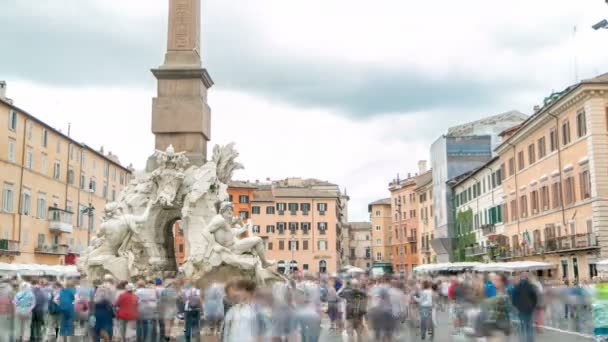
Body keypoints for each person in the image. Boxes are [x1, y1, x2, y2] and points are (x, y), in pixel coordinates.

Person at [479, 274, 512, 342]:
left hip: (499, 330)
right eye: (494, 280)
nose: (494, 282)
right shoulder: (498, 294)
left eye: (497, 280)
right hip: (495, 329)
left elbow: (493, 313)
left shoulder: (503, 295)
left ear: (502, 282)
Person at [512, 273, 538, 342]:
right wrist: (533, 306)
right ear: (527, 278)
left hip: (521, 309)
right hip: (529, 309)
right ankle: (530, 340)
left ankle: (523, 340)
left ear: (521, 278)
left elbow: (514, 299)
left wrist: (516, 306)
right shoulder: (531, 286)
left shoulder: (517, 287)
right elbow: (535, 297)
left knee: (522, 326)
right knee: (529, 325)